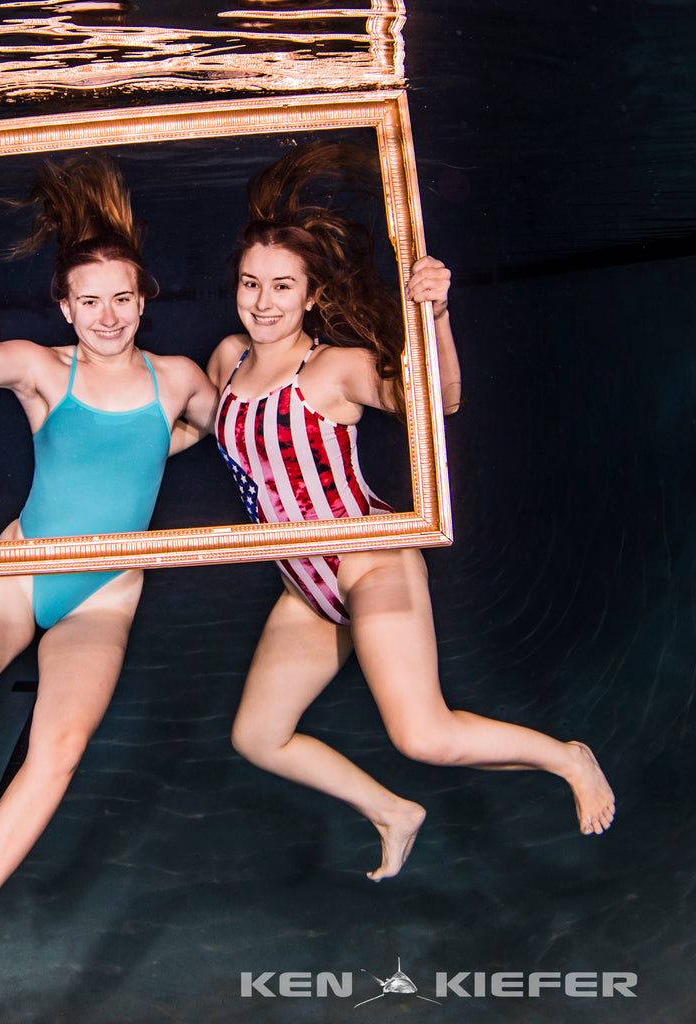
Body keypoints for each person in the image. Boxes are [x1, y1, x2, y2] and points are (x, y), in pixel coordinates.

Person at [184, 142, 615, 881]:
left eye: (283, 286)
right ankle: (392, 811)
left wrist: (437, 314)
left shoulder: (332, 368)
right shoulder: (226, 361)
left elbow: (441, 402)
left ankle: (565, 756)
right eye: (251, 284)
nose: (263, 301)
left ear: (311, 294)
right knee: (257, 736)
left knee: (425, 735)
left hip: (367, 564)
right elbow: (189, 435)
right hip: (302, 585)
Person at [0, 156, 217, 964]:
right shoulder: (40, 368)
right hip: (21, 572)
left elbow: (227, 432)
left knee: (59, 746)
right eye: (88, 301)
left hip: (105, 596)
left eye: (121, 298)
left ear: (142, 300)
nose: (106, 316)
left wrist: (183, 435)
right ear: (64, 305)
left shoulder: (179, 379)